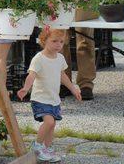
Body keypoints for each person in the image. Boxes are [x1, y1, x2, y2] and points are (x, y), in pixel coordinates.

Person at [17, 28, 82, 162]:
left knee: (52, 125)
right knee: (49, 121)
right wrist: (25, 88)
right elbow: (32, 75)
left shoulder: (60, 58)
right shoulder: (39, 58)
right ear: (44, 40)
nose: (58, 44)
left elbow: (62, 75)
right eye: (54, 41)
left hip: (54, 99)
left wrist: (73, 88)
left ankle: (46, 149)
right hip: (40, 98)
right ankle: (37, 146)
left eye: (61, 42)